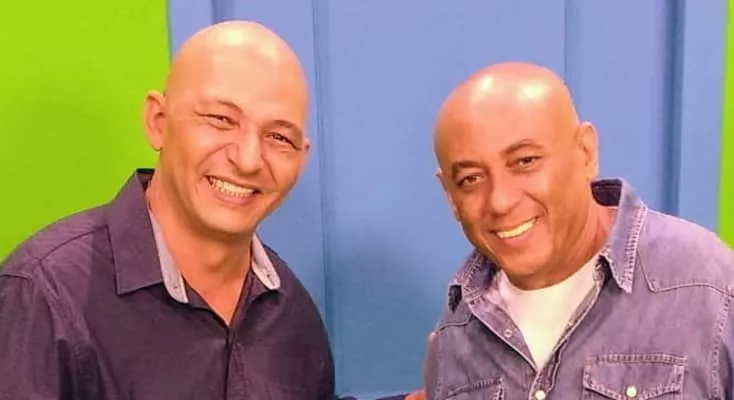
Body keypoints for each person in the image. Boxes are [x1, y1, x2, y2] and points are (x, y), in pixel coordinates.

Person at [0, 21, 335, 399]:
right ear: (158, 122)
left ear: (301, 159)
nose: (247, 159)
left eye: (278, 137)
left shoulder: (292, 313)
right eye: (221, 120)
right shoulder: (45, 295)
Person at [423, 61, 734, 399]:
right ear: (450, 196)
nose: (500, 201)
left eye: (525, 161)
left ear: (586, 152)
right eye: (471, 179)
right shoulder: (454, 336)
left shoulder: (710, 286)